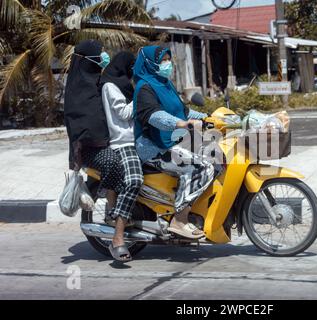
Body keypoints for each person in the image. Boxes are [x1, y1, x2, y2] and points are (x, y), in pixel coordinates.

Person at [133, 45, 214, 239]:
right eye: (162, 60)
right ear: (150, 63)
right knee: (201, 168)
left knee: (215, 155)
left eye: (168, 60)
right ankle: (180, 220)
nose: (167, 64)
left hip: (173, 141)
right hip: (154, 148)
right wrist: (182, 124)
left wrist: (208, 118)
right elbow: (154, 116)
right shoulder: (144, 87)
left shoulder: (165, 84)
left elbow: (183, 111)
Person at [63, 40, 130, 262]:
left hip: (109, 141)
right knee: (112, 162)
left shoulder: (99, 81)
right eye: (99, 54)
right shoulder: (77, 88)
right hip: (90, 149)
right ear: (87, 58)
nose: (104, 56)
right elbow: (79, 124)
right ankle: (112, 208)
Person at [99, 51, 144, 254]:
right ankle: (118, 237)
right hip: (122, 142)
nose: (133, 70)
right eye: (131, 66)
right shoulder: (110, 86)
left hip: (135, 140)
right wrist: (141, 95)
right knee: (134, 180)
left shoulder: (123, 85)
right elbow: (124, 113)